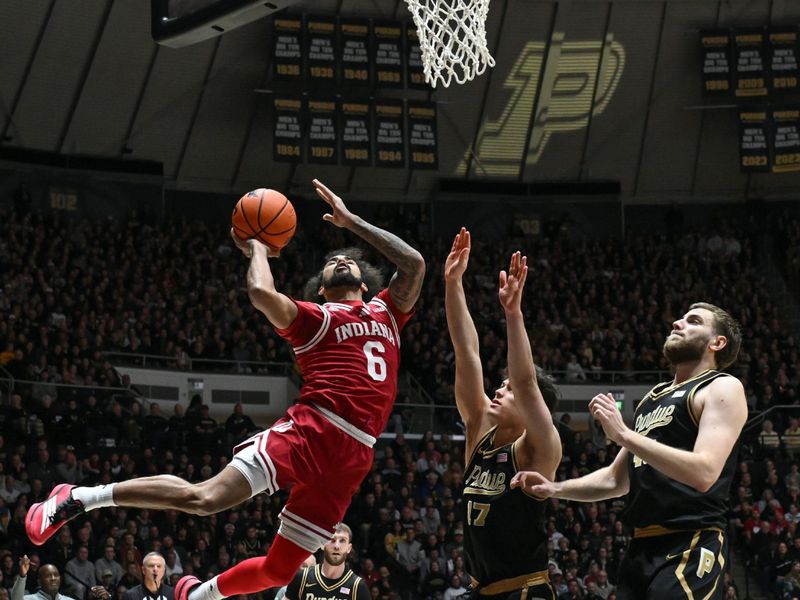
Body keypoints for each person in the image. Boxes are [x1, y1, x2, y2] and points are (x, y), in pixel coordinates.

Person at [26, 179, 425, 600]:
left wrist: (351, 222)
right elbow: (259, 291)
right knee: (206, 498)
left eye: (349, 259)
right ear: (321, 290)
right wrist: (257, 247)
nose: (341, 259)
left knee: (278, 570)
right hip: (313, 431)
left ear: (366, 283)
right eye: (332, 262)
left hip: (355, 455)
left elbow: (414, 262)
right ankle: (79, 498)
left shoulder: (387, 311)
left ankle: (200, 594)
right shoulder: (313, 320)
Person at [512, 303, 746, 600]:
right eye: (680, 318)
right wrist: (555, 487)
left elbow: (705, 472)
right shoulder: (652, 397)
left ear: (717, 342)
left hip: (691, 540)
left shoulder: (722, 387)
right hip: (640, 547)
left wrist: (623, 434)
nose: (677, 323)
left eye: (693, 321)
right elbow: (615, 480)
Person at [443, 229, 561, 599]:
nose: (499, 389)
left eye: (506, 389)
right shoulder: (480, 430)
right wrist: (452, 284)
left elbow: (526, 382)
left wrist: (513, 313)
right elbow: (467, 352)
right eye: (502, 385)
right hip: (481, 589)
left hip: (524, 590)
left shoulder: (540, 448)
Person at [284, 523, 369, 600]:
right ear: (322, 544)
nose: (337, 546)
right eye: (332, 540)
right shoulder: (302, 578)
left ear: (349, 548)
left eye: (342, 540)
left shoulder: (358, 587)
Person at [11, 556, 77, 600]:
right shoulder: (30, 599)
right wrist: (22, 576)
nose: (53, 578)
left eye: (56, 575)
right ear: (39, 582)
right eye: (48, 576)